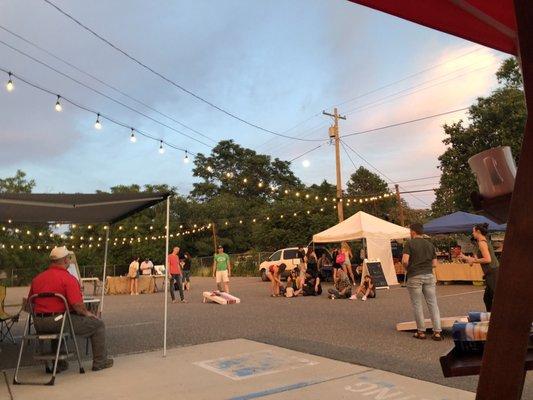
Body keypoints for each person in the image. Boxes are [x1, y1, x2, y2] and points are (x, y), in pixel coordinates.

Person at [28, 246, 113, 371]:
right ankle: (100, 362)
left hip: (39, 323)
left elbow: (30, 304)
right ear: (65, 261)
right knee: (98, 324)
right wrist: (88, 313)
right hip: (59, 321)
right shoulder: (68, 278)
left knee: (61, 321)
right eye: (68, 258)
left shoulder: (37, 279)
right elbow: (77, 305)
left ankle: (60, 363)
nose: (69, 261)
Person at [402, 223, 442, 341]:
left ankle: (421, 331)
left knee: (417, 304)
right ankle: (437, 332)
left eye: (410, 231)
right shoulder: (430, 245)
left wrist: (407, 268)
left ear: (413, 232)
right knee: (432, 303)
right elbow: (434, 264)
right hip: (429, 275)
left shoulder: (409, 243)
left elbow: (405, 260)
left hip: (414, 275)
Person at [460, 223, 500, 311]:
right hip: (492, 272)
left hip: (493, 272)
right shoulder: (482, 242)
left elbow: (487, 259)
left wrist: (472, 260)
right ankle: (491, 318)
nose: (472, 233)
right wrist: (467, 258)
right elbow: (478, 260)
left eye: (473, 231)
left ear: (478, 232)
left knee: (493, 299)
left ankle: (495, 319)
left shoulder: (482, 243)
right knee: (488, 298)